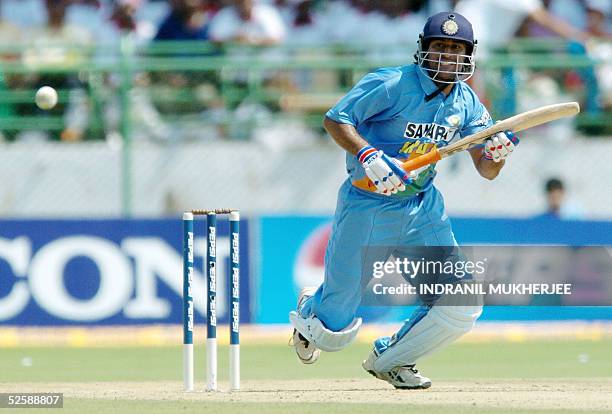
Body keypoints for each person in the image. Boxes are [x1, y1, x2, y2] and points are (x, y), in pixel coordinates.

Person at [289, 11, 520, 389]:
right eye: (439, 47)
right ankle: (312, 311)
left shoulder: (468, 102)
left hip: (422, 208)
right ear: (423, 50)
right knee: (331, 329)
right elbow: (336, 119)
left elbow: (486, 169)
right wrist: (368, 154)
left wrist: (496, 153)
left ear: (469, 53)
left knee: (461, 301)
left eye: (455, 48)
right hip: (368, 205)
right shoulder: (391, 82)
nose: (447, 55)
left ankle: (392, 360)